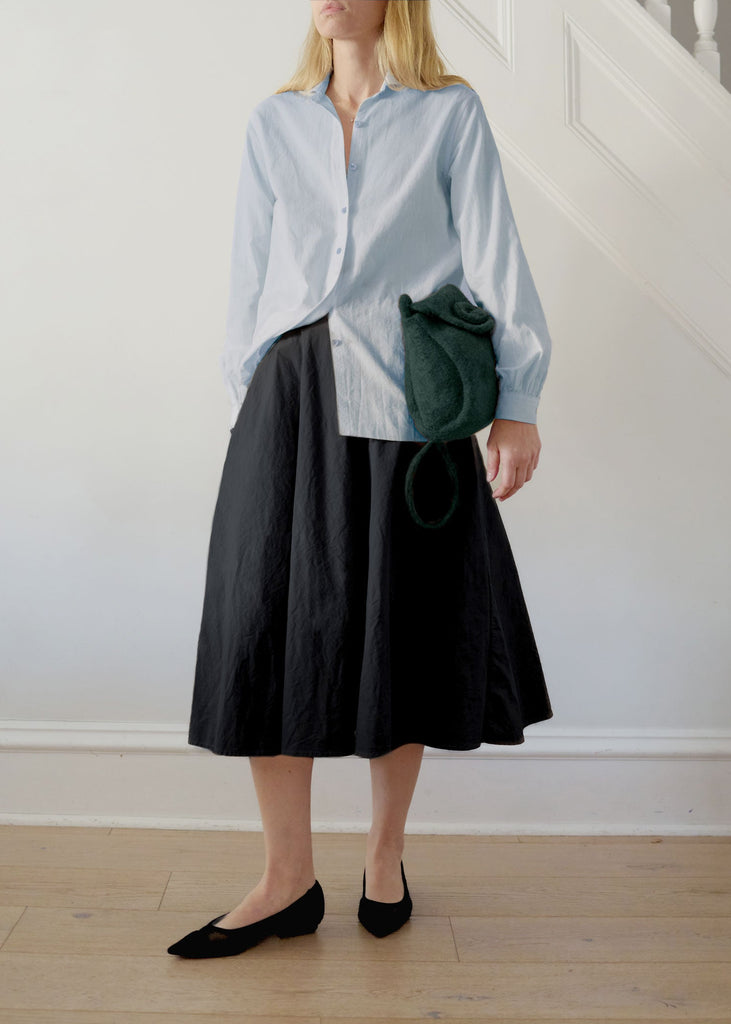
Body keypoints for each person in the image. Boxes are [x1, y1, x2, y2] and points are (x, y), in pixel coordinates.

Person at [168, 0, 554, 959]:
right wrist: (252, 402)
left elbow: (496, 258)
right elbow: (248, 276)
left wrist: (517, 402)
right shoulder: (274, 122)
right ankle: (286, 878)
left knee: (402, 627)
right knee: (264, 625)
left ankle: (384, 857)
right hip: (285, 400)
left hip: (408, 403)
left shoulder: (449, 112)